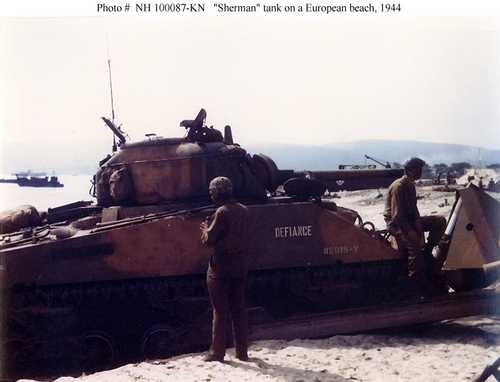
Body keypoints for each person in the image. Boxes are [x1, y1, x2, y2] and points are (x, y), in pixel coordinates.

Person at [200, 176, 250, 362]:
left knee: (220, 311)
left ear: (218, 193)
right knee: (239, 309)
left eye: (212, 192)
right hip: (240, 265)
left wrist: (205, 228)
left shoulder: (221, 212)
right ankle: (242, 352)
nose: (210, 195)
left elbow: (209, 239)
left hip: (220, 268)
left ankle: (217, 352)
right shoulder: (244, 210)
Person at [384, 158, 447, 293]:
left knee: (440, 221)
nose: (420, 172)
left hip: (408, 220)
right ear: (410, 170)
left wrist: (420, 230)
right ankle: (416, 284)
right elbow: (397, 216)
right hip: (397, 224)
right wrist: (413, 234)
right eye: (418, 169)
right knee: (414, 246)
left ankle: (428, 252)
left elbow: (414, 212)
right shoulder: (399, 187)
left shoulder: (410, 185)